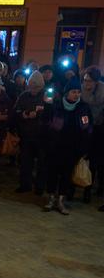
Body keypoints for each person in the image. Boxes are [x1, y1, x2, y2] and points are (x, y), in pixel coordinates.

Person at [44, 76, 93, 215]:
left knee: (66, 175)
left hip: (73, 148)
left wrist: (84, 148)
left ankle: (61, 200)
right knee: (52, 173)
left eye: (78, 92)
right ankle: (51, 198)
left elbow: (88, 129)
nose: (76, 94)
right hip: (55, 147)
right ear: (67, 92)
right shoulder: (57, 106)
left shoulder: (83, 108)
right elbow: (47, 124)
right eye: (73, 92)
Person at [13, 70, 49, 194]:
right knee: (25, 162)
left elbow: (52, 114)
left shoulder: (47, 97)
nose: (33, 89)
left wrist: (40, 114)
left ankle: (39, 187)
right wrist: (24, 114)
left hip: (42, 136)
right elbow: (16, 112)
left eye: (36, 87)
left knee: (42, 164)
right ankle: (25, 185)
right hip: (26, 135)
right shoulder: (23, 96)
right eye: (31, 86)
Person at [81, 66, 104, 204]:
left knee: (98, 161)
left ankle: (99, 186)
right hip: (87, 127)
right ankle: (86, 189)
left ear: (96, 81)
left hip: (101, 129)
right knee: (87, 159)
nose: (86, 83)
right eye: (85, 80)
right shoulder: (82, 90)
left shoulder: (102, 92)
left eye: (89, 81)